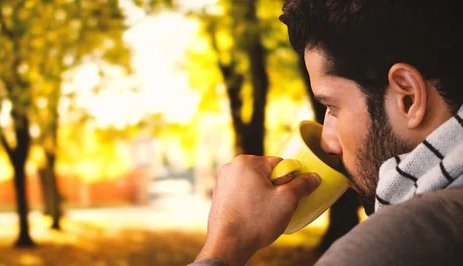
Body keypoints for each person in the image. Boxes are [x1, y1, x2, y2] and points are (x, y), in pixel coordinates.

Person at [189, 0, 463, 265]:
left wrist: (226, 244)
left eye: (332, 106)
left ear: (408, 97)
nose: (327, 141)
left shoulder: (390, 247)